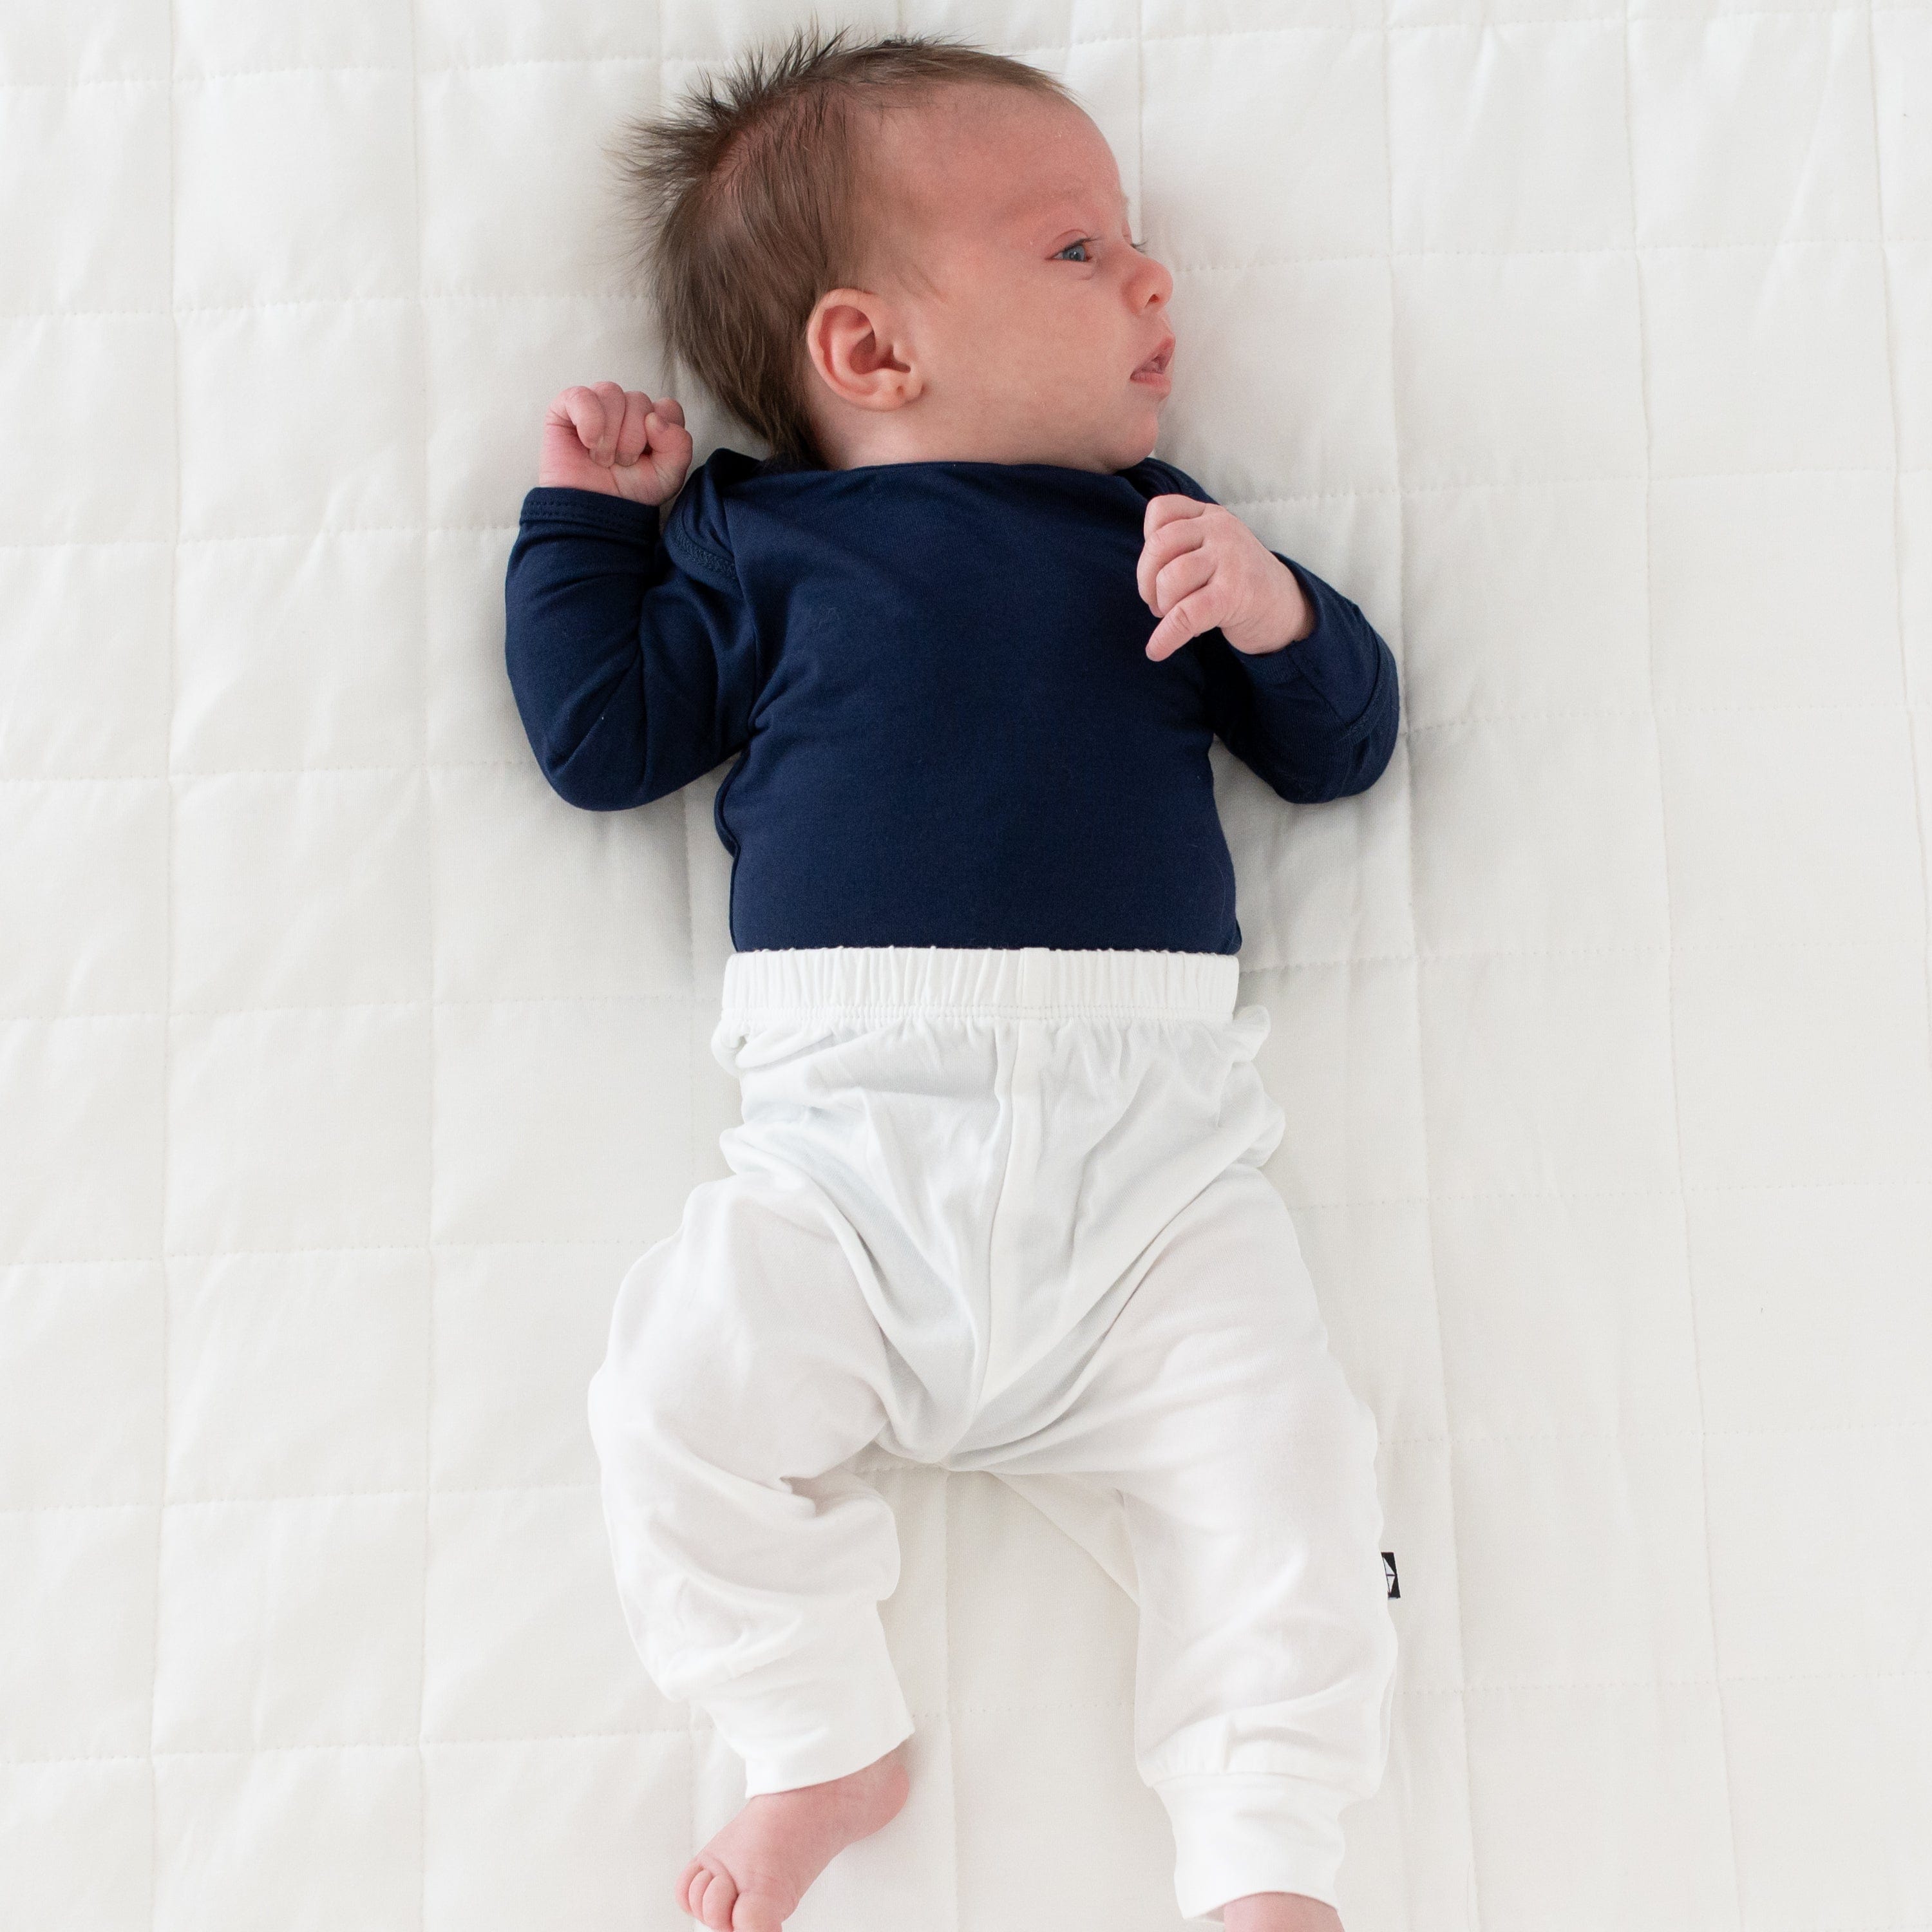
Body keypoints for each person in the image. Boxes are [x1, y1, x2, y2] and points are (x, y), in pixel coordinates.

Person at [502, 24, 1401, 1931]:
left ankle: (1267, 1859)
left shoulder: (1162, 530)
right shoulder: (762, 543)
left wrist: (1281, 614)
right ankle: (811, 1728)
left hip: (1155, 1188)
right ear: (869, 349)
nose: (1153, 279)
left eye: (1135, 243)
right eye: (1079, 251)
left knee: (1294, 1479)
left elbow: (1335, 751)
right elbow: (601, 739)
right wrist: (591, 529)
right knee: (666, 1406)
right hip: (847, 1170)